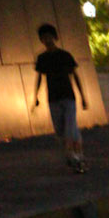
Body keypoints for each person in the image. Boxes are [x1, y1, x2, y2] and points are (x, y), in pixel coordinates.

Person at [32, 23, 89, 172]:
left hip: (68, 96)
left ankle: (78, 156)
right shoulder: (42, 58)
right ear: (41, 40)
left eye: (49, 36)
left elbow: (75, 76)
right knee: (60, 130)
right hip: (53, 98)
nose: (47, 40)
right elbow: (39, 77)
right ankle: (73, 156)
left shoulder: (65, 55)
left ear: (54, 37)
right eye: (44, 37)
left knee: (71, 127)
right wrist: (36, 96)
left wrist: (82, 96)